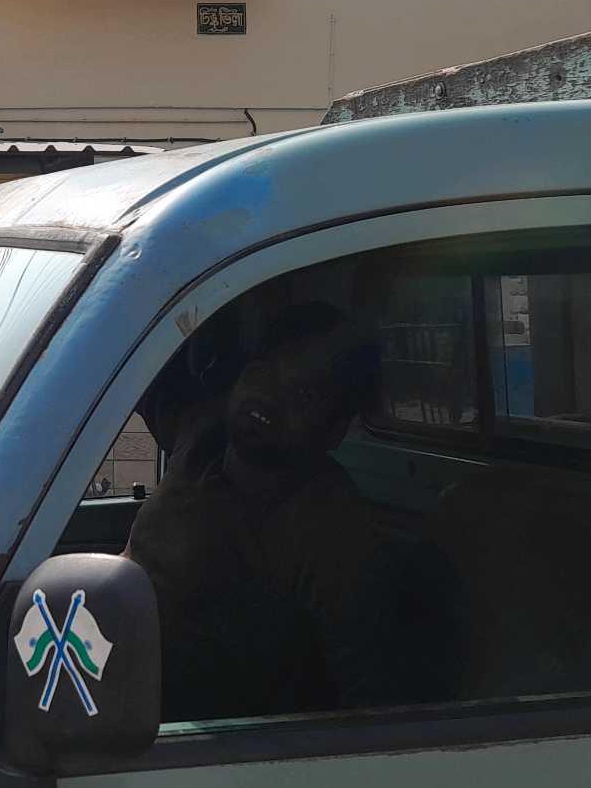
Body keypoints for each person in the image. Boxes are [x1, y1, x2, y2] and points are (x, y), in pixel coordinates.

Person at [123, 303, 456, 721]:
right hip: (100, 659)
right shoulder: (203, 435)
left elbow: (375, 705)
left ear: (334, 431)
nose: (270, 394)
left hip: (174, 733)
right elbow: (124, 362)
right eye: (263, 370)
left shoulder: (331, 531)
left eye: (303, 394)